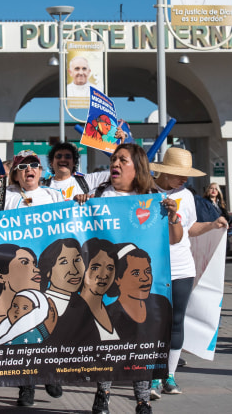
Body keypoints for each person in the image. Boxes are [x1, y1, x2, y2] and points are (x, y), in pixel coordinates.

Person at [76, 143, 180, 414]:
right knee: (107, 341)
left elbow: (175, 239)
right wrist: (80, 208)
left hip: (143, 284)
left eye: (123, 160)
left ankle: (143, 400)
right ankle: (103, 394)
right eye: (114, 159)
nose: (116, 164)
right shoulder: (98, 195)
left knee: (140, 339)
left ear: (137, 168)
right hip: (107, 283)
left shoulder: (153, 197)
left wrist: (172, 218)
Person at [149, 147, 227, 399]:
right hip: (150, 268)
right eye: (179, 174)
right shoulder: (145, 191)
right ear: (165, 171)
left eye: (187, 175)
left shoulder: (187, 195)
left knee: (175, 320)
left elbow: (191, 228)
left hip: (182, 266)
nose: (184, 179)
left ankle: (168, 375)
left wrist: (213, 225)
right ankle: (150, 376)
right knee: (151, 322)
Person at [1, 149, 66, 406]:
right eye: (23, 166)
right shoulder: (6, 196)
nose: (29, 169)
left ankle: (50, 373)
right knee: (25, 327)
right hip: (20, 275)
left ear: (41, 171)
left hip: (48, 272)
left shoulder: (54, 195)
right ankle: (26, 386)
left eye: (34, 165)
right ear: (15, 174)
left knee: (52, 322)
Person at [43, 142, 108, 200]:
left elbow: (113, 174)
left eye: (68, 156)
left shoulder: (87, 180)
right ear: (51, 162)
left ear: (74, 162)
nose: (63, 159)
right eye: (58, 156)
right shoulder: (43, 187)